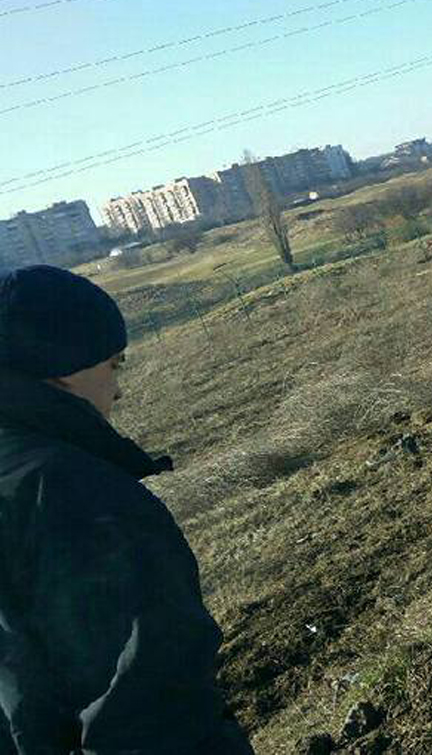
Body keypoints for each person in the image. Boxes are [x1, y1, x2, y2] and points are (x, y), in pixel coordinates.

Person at [0, 265, 253, 755]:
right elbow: (148, 714)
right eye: (113, 364)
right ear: (64, 369)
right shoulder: (75, 498)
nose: (117, 388)